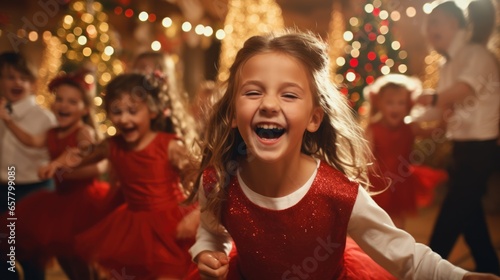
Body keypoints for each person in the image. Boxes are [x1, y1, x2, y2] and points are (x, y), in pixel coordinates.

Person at [185, 30, 499, 280]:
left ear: (314, 118)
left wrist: (458, 277)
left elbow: (405, 255)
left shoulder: (339, 193)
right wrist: (208, 253)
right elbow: (211, 233)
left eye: (289, 94)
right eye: (253, 92)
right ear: (231, 114)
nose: (268, 104)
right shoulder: (218, 181)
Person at [74, 73, 199, 279]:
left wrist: (196, 215)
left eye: (132, 111)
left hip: (170, 225)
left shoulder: (170, 146)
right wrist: (57, 164)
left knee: (168, 271)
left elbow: (203, 182)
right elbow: (81, 157)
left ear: (152, 111)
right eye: (116, 111)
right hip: (132, 228)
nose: (124, 119)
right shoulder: (112, 145)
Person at [0, 70, 111, 279]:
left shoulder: (82, 132)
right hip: (59, 202)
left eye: (72, 102)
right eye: (59, 99)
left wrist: (57, 166)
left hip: (84, 202)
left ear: (85, 109)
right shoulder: (52, 132)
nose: (63, 105)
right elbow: (30, 141)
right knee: (65, 258)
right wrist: (8, 121)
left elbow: (85, 153)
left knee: (83, 262)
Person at [416, 0, 500, 274]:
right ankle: (490, 266)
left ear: (456, 23)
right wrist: (411, 123)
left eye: (436, 22)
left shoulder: (476, 53)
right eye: (428, 24)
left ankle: (426, 272)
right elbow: (443, 110)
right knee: (469, 214)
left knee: (453, 213)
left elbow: (464, 90)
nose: (430, 29)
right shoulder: (447, 62)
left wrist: (434, 97)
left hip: (482, 147)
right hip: (463, 147)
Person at [0, 51, 57, 280]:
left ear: (33, 83)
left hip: (33, 189)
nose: (17, 82)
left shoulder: (43, 118)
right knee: (4, 253)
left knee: (31, 255)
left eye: (23, 78)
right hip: (5, 188)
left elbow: (39, 147)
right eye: (10, 77)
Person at [363, 74, 447, 229]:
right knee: (376, 221)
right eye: (390, 103)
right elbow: (365, 154)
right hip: (379, 182)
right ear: (379, 104)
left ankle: (398, 249)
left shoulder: (410, 127)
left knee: (397, 218)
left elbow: (435, 132)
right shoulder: (373, 129)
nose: (395, 107)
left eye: (401, 103)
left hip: (401, 181)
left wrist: (445, 118)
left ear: (408, 105)